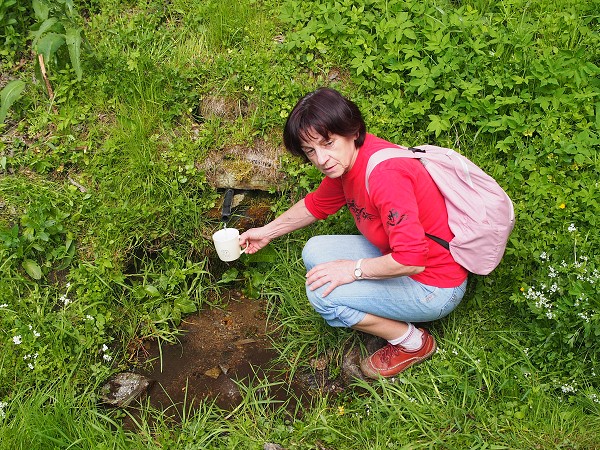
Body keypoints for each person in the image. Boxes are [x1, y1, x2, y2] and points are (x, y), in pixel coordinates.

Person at [239, 87, 468, 379]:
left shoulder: (385, 176)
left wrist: (354, 271)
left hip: (435, 286)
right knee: (315, 251)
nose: (321, 159)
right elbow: (315, 205)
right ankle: (375, 311)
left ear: (352, 130)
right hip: (402, 260)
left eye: (328, 143)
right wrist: (267, 232)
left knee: (322, 295)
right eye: (311, 151)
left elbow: (412, 260)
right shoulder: (349, 162)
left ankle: (412, 343)